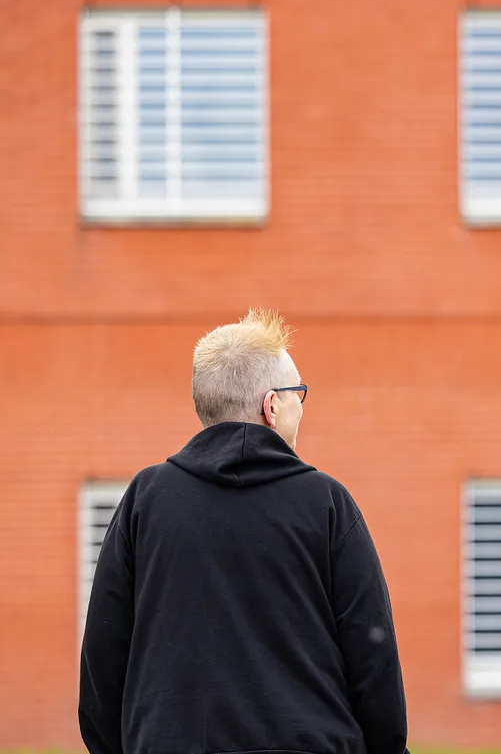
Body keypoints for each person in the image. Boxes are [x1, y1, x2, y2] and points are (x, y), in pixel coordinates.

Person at [79, 308, 408, 754]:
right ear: (272, 405)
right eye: (299, 394)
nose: (301, 407)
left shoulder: (146, 500)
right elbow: (372, 652)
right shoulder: (326, 503)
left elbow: (103, 651)